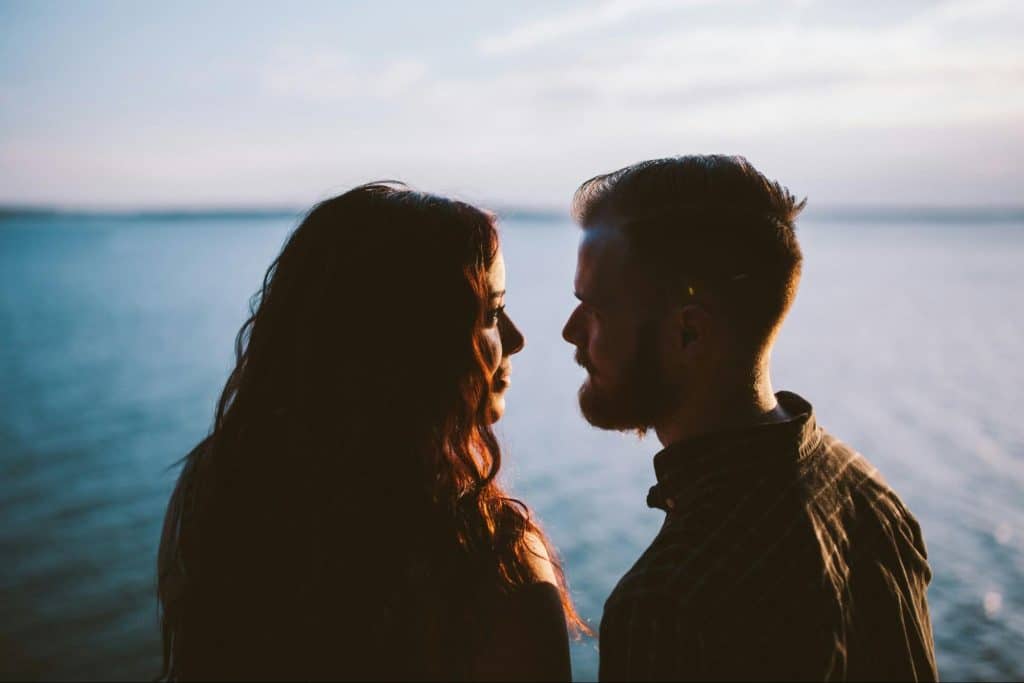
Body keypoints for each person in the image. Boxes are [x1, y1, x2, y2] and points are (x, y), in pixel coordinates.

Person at [157, 182, 582, 681]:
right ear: (413, 341)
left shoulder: (219, 492)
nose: (517, 339)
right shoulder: (495, 558)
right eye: (490, 313)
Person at [562, 156, 938, 681]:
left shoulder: (669, 601)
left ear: (688, 333)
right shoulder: (869, 494)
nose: (570, 331)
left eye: (596, 310)